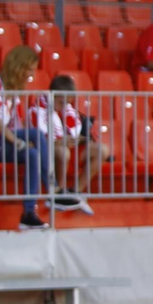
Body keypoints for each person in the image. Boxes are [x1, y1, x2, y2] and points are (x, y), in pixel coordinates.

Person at [0, 46, 59, 228]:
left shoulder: (13, 90)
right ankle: (52, 190)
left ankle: (29, 213)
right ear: (18, 66)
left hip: (1, 142)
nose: (30, 75)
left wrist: (22, 142)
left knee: (32, 154)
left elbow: (15, 124)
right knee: (35, 134)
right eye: (29, 69)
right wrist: (16, 140)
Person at [27, 75, 108, 213]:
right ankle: (59, 194)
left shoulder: (68, 109)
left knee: (102, 150)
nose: (65, 106)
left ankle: (74, 192)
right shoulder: (36, 110)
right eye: (61, 102)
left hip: (71, 149)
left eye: (68, 102)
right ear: (52, 96)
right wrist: (59, 142)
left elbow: (73, 130)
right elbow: (39, 140)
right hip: (49, 152)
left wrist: (80, 139)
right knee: (63, 151)